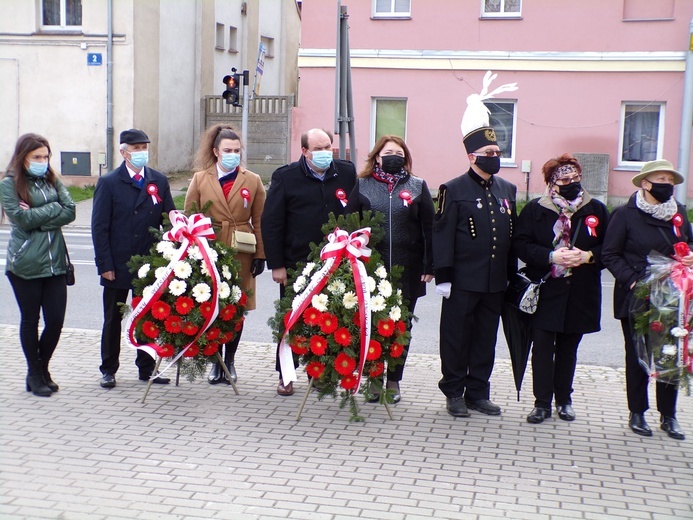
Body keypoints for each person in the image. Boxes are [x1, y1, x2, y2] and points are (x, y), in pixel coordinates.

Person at [513, 154, 609, 424]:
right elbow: (520, 245)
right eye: (565, 179)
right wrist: (550, 256)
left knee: (569, 347)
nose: (572, 183)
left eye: (576, 178)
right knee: (542, 346)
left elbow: (610, 248)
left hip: (580, 291)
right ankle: (542, 402)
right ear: (552, 183)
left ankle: (564, 399)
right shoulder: (535, 209)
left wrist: (588, 257)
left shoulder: (596, 210)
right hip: (545, 290)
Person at [262, 128, 357, 396]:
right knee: (292, 319)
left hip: (336, 262)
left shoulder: (346, 173)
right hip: (296, 262)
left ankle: (323, 373)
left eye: (328, 146)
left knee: (330, 318)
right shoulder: (286, 176)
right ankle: (286, 374)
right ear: (304, 151)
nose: (325, 153)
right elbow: (272, 222)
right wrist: (277, 264)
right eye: (318, 148)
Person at [433, 121, 517, 418]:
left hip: (495, 281)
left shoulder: (508, 189)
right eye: (489, 151)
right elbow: (442, 235)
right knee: (456, 339)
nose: (495, 156)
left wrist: (511, 276)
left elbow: (509, 235)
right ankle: (454, 391)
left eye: (497, 151)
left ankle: (478, 392)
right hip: (462, 280)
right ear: (472, 156)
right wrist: (443, 276)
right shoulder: (452, 189)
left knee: (485, 338)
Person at [602, 159, 690, 440]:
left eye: (670, 181)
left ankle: (669, 415)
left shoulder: (680, 212)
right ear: (645, 183)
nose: (667, 185)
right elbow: (610, 254)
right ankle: (637, 411)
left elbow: (688, 244)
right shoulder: (625, 214)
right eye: (660, 179)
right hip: (637, 295)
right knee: (638, 356)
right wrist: (634, 281)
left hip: (673, 297)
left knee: (670, 355)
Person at [345, 135, 434, 403]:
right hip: (372, 270)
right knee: (373, 326)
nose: (393, 156)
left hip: (408, 269)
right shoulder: (362, 185)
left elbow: (430, 229)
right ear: (377, 156)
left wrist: (430, 265)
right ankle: (374, 378)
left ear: (405, 157)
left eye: (398, 152)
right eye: (388, 152)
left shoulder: (418, 186)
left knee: (400, 327)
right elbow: (350, 225)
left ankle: (394, 380)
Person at [91, 129, 175, 389]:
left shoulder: (158, 180)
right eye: (136, 148)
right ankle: (108, 369)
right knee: (113, 318)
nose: (141, 152)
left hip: (149, 263)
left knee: (147, 317)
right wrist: (105, 265)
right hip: (117, 262)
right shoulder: (109, 182)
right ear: (123, 152)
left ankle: (146, 368)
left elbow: (169, 217)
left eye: (144, 147)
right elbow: (99, 226)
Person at [184, 125, 266, 385]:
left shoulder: (252, 180)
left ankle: (229, 360)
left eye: (237, 151)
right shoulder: (200, 179)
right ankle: (214, 361)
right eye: (227, 150)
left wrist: (261, 255)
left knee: (236, 308)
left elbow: (260, 219)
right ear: (216, 152)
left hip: (241, 248)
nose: (233, 155)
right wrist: (190, 253)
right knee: (212, 306)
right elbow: (190, 217)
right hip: (210, 248)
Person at [0, 134, 76, 396]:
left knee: (55, 321)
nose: (43, 161)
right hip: (25, 265)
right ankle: (35, 373)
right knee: (30, 320)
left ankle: (41, 369)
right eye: (37, 157)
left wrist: (39, 215)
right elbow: (21, 220)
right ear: (23, 158)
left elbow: (71, 210)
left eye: (45, 156)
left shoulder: (51, 179)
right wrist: (52, 209)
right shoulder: (9, 184)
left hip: (55, 263)